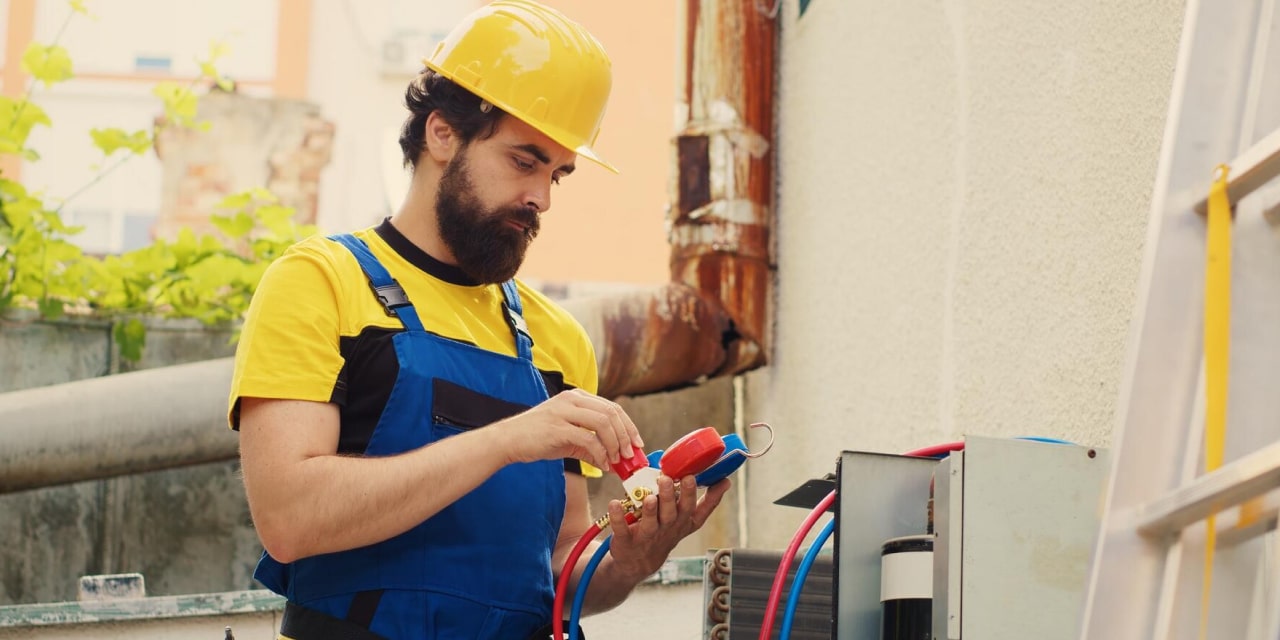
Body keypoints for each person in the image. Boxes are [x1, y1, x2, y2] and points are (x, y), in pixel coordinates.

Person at [226, 1, 732, 638]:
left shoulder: (557, 341)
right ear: (442, 134)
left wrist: (629, 560)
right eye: (525, 161)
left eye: (559, 174)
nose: (541, 198)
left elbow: (558, 567)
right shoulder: (319, 283)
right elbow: (290, 519)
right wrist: (509, 439)